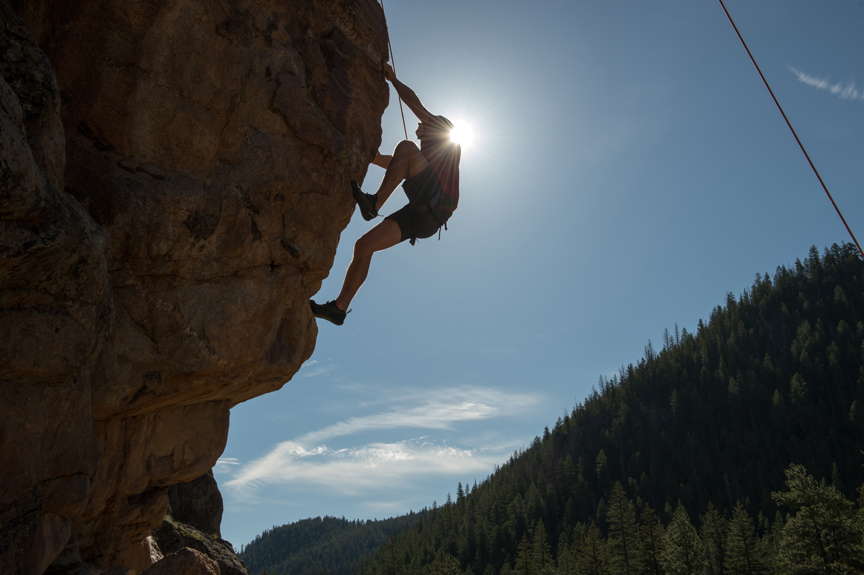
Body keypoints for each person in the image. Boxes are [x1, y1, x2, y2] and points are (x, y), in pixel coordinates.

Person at [310, 63, 461, 326]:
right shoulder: (432, 156)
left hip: (435, 205)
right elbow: (397, 163)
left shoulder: (443, 134)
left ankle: (374, 204)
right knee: (364, 246)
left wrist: (393, 80)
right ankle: (339, 308)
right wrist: (375, 157)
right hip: (425, 217)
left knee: (406, 146)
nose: (419, 123)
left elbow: (413, 103)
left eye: (424, 123)